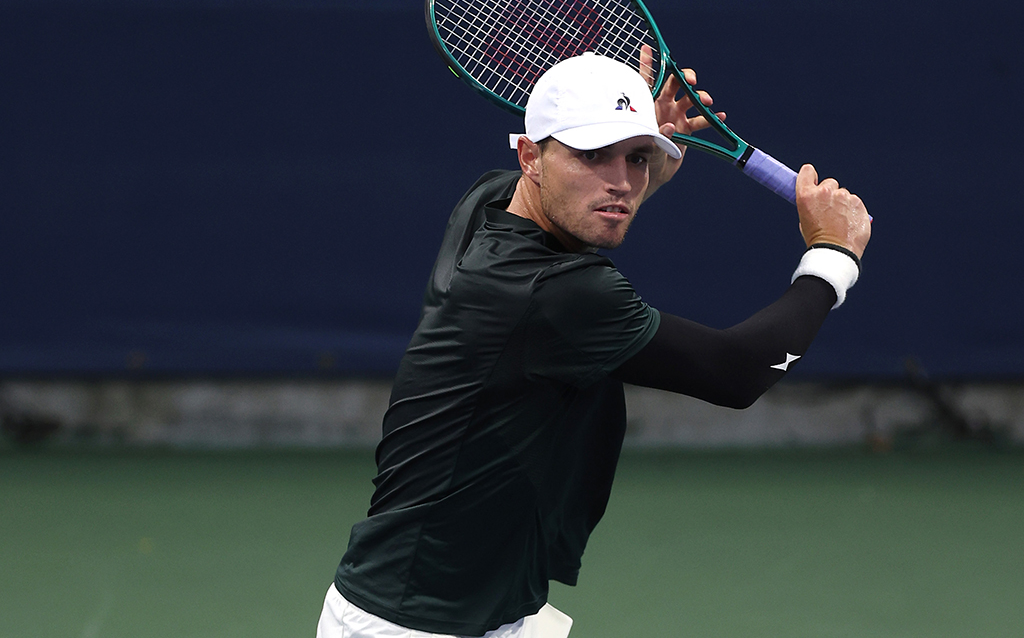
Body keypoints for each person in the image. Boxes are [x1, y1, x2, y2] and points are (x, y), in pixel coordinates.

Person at [315, 52, 871, 638]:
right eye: (591, 155)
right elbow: (735, 373)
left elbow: (579, 208)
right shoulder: (558, 293)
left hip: (483, 608)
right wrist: (832, 254)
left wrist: (636, 142)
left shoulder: (487, 201)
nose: (622, 181)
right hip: (416, 625)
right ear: (531, 156)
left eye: (636, 158)